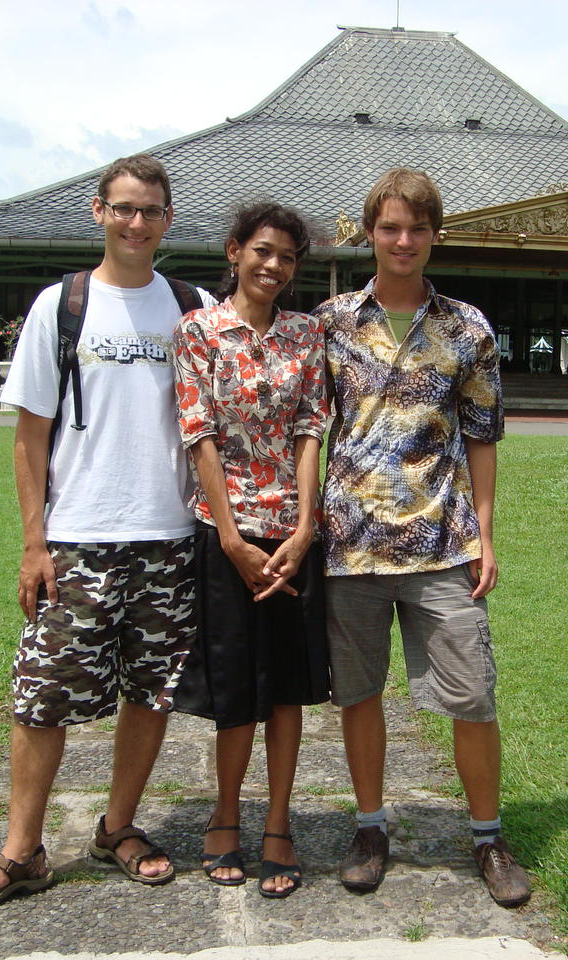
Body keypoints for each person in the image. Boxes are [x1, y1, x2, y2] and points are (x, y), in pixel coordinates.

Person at [0, 154, 212, 915]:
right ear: (98, 212)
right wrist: (35, 543)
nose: (136, 222)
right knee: (43, 695)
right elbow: (30, 436)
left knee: (152, 691)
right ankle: (20, 849)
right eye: (123, 208)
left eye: (150, 210)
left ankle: (118, 826)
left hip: (169, 535)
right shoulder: (60, 307)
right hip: (79, 537)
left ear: (167, 220)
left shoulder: (191, 308)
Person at [313, 167, 531, 908]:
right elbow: (310, 427)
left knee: (472, 695)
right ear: (369, 233)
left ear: (436, 235)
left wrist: (487, 535)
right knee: (359, 693)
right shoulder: (333, 323)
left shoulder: (467, 328)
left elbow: (484, 436)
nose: (402, 240)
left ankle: (488, 837)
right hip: (352, 543)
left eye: (416, 228)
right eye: (389, 227)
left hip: (443, 542)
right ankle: (370, 828)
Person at [171, 202, 330, 899]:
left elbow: (310, 430)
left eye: (287, 257)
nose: (274, 266)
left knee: (288, 688)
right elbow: (198, 432)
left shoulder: (306, 333)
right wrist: (232, 538)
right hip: (225, 533)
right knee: (236, 686)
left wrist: (304, 528)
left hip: (291, 537)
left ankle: (279, 823)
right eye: (262, 251)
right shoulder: (199, 332)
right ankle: (226, 815)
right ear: (235, 251)